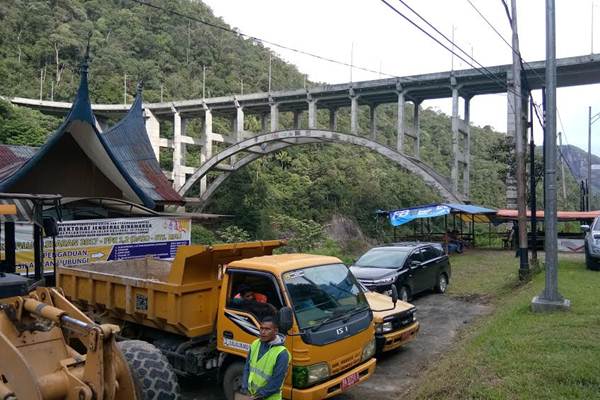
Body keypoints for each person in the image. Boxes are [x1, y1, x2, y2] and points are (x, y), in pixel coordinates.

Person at [241, 316, 290, 400]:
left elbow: (276, 383)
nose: (263, 332)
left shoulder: (282, 353)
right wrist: (245, 387)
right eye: (261, 328)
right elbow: (247, 367)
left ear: (276, 331)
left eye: (267, 329)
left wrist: (257, 396)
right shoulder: (255, 343)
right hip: (252, 395)